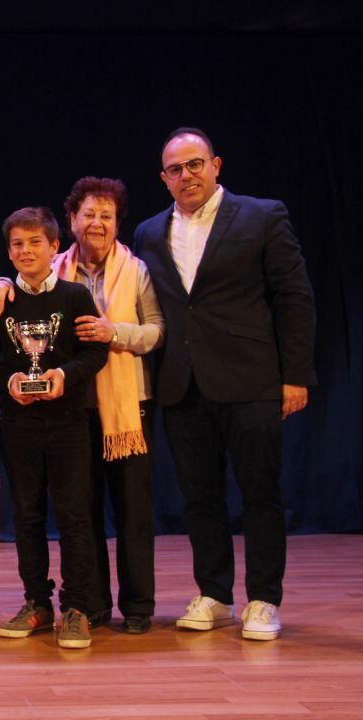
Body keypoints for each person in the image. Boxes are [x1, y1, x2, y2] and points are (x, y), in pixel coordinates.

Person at [133, 127, 315, 641]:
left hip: (251, 379)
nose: (186, 175)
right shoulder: (148, 232)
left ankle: (263, 599)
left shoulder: (261, 215)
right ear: (163, 178)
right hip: (182, 384)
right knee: (200, 497)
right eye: (175, 169)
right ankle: (214, 594)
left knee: (260, 493)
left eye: (194, 164)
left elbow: (294, 298)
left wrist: (296, 375)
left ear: (216, 164)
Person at [0, 177, 165, 634]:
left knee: (126, 509)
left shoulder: (135, 271)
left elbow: (154, 332)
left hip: (123, 404)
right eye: (89, 214)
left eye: (107, 215)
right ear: (72, 222)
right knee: (68, 508)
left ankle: (133, 607)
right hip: (65, 411)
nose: (98, 222)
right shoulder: (50, 273)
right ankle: (84, 605)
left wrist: (112, 334)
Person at [0, 207, 108, 649]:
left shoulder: (74, 297)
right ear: (8, 251)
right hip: (18, 423)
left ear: (55, 247)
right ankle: (36, 602)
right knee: (27, 516)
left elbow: (95, 354)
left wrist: (64, 375)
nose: (26, 250)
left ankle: (76, 608)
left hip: (69, 422)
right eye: (17, 243)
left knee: (74, 516)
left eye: (36, 242)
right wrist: (8, 380)